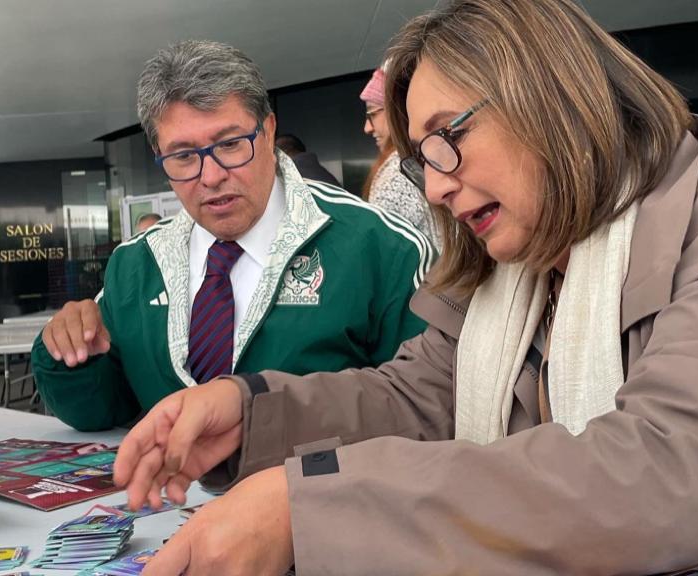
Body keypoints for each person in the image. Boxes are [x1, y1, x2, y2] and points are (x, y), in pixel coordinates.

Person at [112, 1, 698, 575]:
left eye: (449, 136)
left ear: (549, 95)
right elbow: (417, 399)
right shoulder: (504, 260)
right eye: (421, 160)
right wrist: (251, 413)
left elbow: (678, 464)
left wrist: (317, 508)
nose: (439, 187)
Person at [31, 40, 433, 432]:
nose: (211, 176)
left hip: (315, 497)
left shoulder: (381, 248)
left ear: (270, 131)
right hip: (166, 499)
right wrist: (71, 353)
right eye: (183, 156)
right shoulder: (136, 265)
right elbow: (103, 408)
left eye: (230, 144)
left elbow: (424, 409)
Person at [360, 62, 441, 251]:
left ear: (397, 110)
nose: (367, 127)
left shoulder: (397, 174)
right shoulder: (423, 158)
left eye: (372, 113)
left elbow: (384, 256)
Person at [273, 134, 342, 188]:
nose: (273, 157)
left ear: (287, 150)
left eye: (275, 151)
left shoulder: (291, 174)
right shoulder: (321, 172)